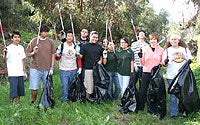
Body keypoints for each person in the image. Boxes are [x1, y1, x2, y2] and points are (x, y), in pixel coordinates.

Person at [162, 34, 192, 118]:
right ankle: (174, 113)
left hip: (183, 75)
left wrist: (184, 57)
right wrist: (166, 61)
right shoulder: (167, 50)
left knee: (183, 94)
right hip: (171, 76)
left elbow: (190, 59)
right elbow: (163, 63)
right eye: (171, 39)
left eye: (175, 39)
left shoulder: (184, 49)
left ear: (179, 40)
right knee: (173, 95)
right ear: (170, 41)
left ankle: (183, 111)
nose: (173, 41)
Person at [26, 24, 56, 104]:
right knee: (34, 88)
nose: (46, 33)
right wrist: (33, 52)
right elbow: (28, 54)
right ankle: (33, 101)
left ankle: (43, 102)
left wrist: (52, 67)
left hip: (47, 68)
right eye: (44, 32)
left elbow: (53, 55)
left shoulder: (50, 42)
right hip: (35, 68)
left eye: (47, 32)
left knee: (45, 88)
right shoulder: (34, 41)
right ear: (40, 32)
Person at [138, 33, 164, 112]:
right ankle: (141, 106)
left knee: (155, 90)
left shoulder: (161, 50)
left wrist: (163, 63)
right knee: (143, 90)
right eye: (151, 39)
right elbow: (142, 63)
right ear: (149, 41)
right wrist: (140, 57)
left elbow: (162, 62)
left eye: (155, 39)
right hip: (146, 72)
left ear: (157, 40)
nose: (153, 41)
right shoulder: (145, 49)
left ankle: (154, 106)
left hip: (156, 73)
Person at [55, 30, 82, 102]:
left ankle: (71, 98)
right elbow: (57, 58)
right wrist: (57, 55)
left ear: (73, 37)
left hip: (74, 69)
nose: (70, 37)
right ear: (66, 37)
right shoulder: (62, 46)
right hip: (64, 69)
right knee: (64, 86)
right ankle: (64, 100)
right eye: (68, 36)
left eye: (71, 36)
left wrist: (80, 67)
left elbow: (78, 58)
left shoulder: (76, 47)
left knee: (72, 85)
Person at [78, 31, 104, 101]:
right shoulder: (84, 46)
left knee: (96, 84)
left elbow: (102, 55)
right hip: (88, 69)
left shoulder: (99, 47)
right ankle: (87, 99)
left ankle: (96, 97)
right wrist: (76, 53)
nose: (95, 39)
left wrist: (101, 60)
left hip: (97, 69)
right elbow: (80, 57)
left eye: (96, 38)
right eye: (94, 37)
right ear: (90, 36)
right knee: (88, 85)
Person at [3, 30, 26, 104]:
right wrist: (5, 54)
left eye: (18, 37)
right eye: (15, 37)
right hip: (12, 73)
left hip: (20, 73)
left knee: (19, 90)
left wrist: (24, 71)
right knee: (13, 90)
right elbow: (4, 60)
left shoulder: (21, 48)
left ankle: (17, 104)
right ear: (12, 39)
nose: (17, 39)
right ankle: (11, 104)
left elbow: (23, 60)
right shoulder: (8, 48)